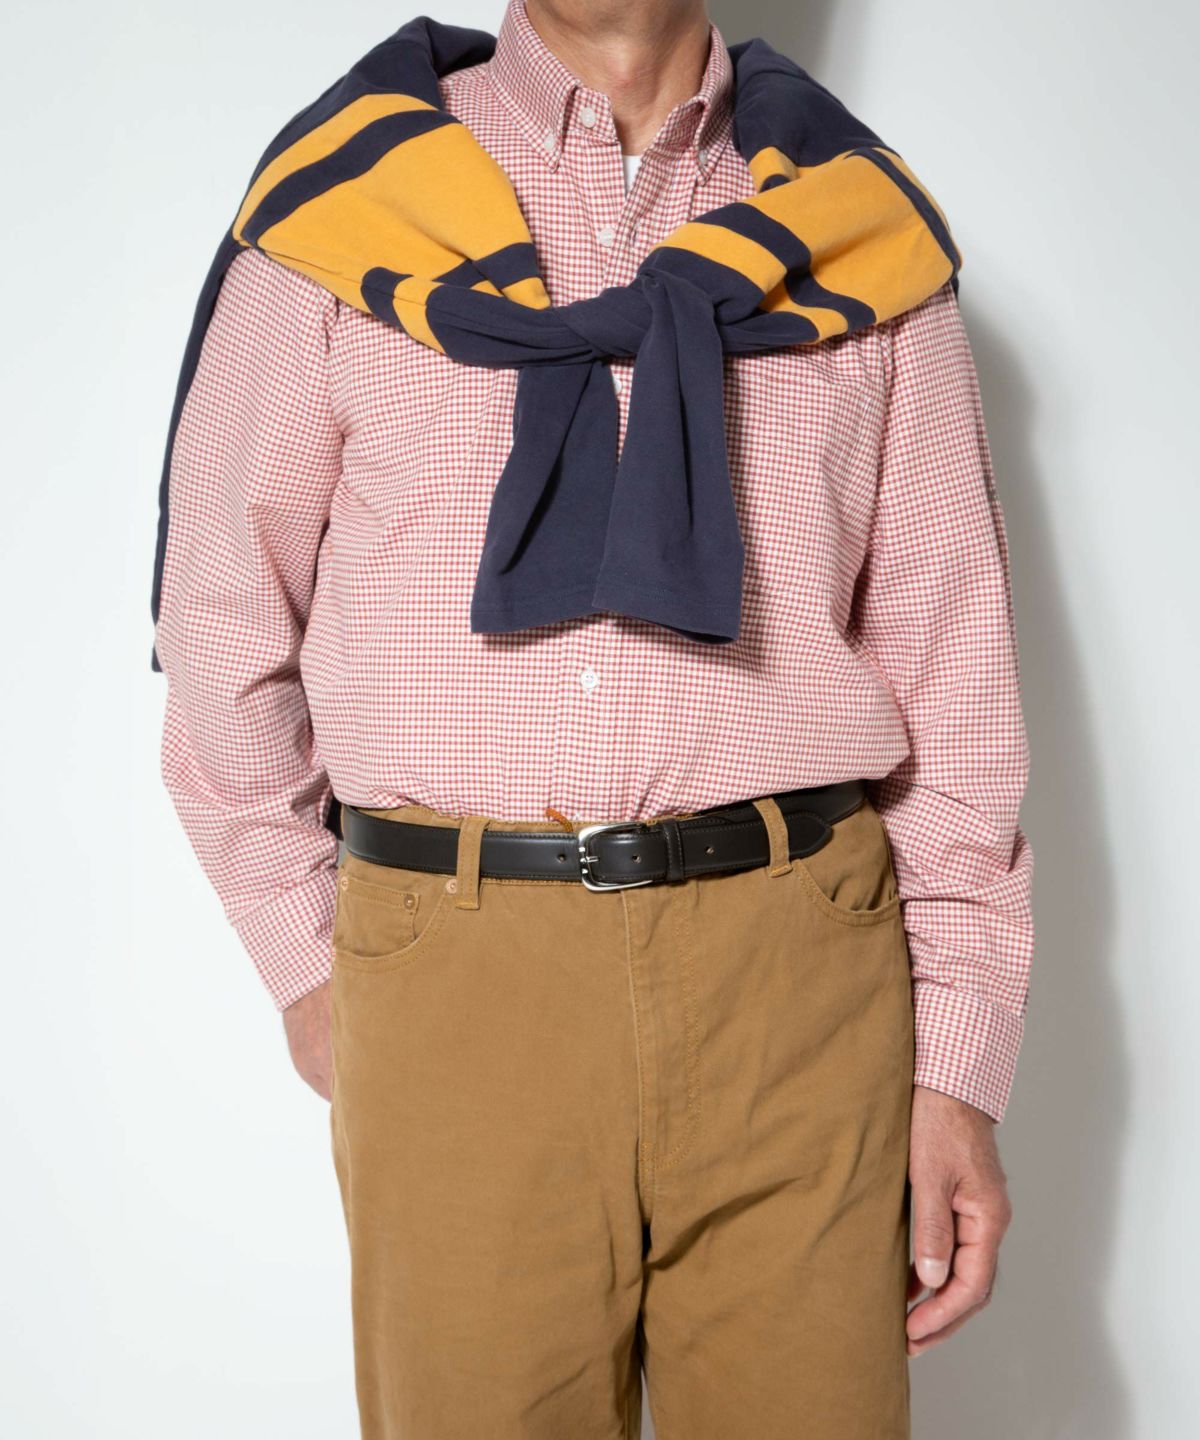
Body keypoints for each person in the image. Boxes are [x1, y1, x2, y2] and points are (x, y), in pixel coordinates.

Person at [151, 1, 1033, 1434]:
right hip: (458, 974)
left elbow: (957, 682)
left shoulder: (858, 235)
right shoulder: (342, 210)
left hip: (803, 982)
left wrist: (958, 1067)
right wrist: (314, 962)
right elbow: (219, 617)